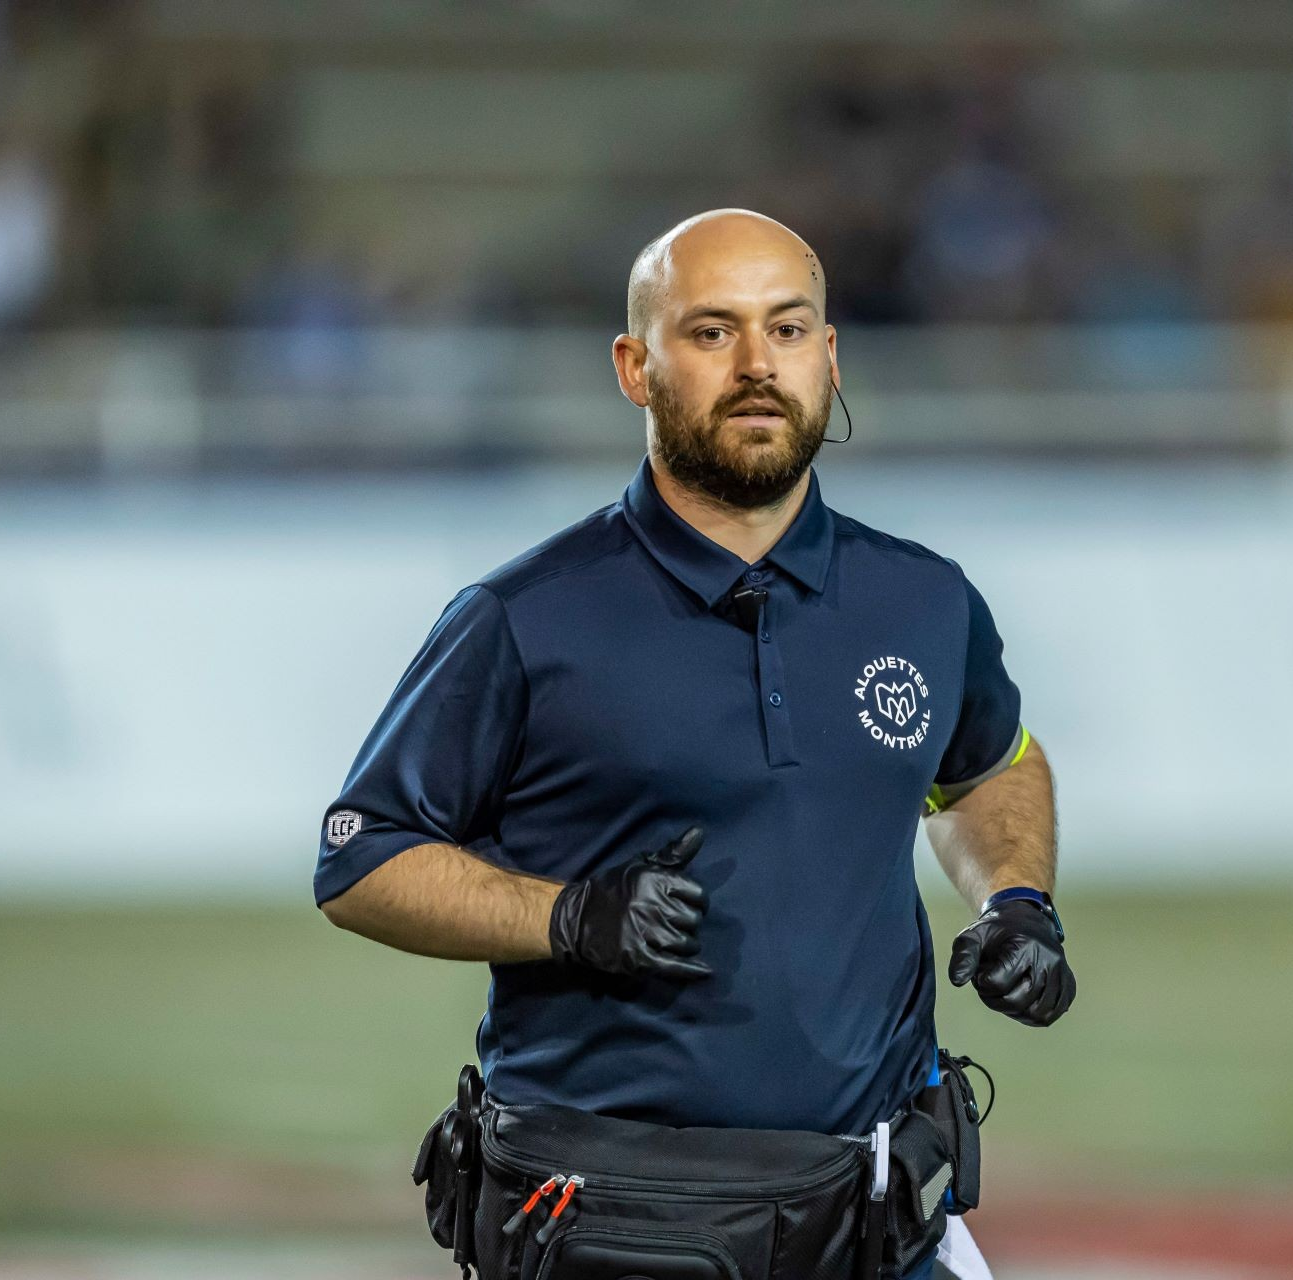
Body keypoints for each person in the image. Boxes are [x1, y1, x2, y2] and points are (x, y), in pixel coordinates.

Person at [313, 209, 1076, 1280]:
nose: (759, 365)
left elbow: (989, 762)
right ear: (634, 366)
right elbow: (362, 858)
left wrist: (1016, 902)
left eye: (789, 328)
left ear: (831, 356)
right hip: (618, 1226)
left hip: (880, 1213)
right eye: (712, 332)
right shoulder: (526, 615)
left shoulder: (925, 600)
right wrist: (566, 914)